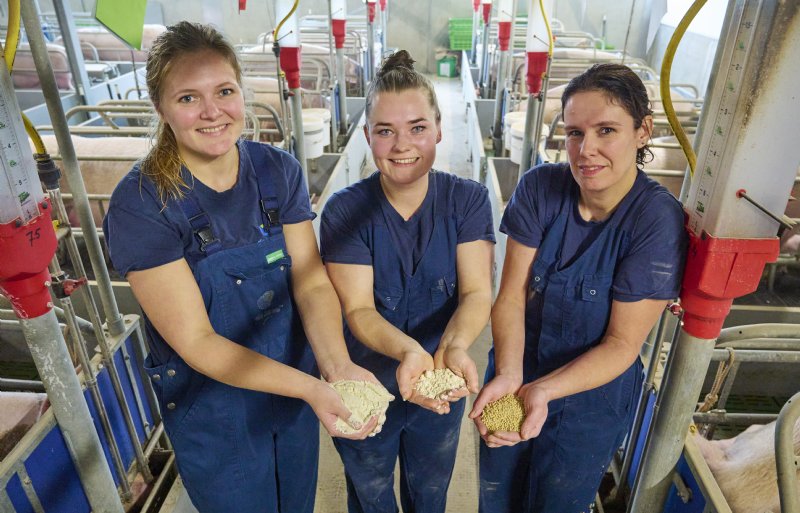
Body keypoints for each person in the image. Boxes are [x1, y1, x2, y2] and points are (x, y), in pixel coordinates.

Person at [103, 22, 379, 513]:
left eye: (224, 91)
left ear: (242, 93)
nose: (213, 112)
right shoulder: (142, 204)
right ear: (161, 108)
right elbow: (198, 342)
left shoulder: (277, 170)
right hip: (213, 406)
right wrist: (314, 388)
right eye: (188, 98)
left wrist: (337, 368)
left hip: (293, 386)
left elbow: (311, 281)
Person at [470, 63, 688, 513]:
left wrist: (544, 391)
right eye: (573, 133)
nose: (585, 150)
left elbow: (622, 343)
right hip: (517, 369)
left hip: (590, 400)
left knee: (557, 503)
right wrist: (511, 377)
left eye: (605, 130)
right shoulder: (540, 188)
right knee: (497, 497)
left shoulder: (654, 221)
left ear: (643, 130)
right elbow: (510, 297)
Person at [319, 50, 495, 513]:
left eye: (418, 128)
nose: (402, 145)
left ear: (440, 129)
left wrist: (452, 349)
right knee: (370, 491)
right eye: (385, 131)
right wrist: (407, 352)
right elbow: (357, 309)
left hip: (441, 373)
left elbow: (477, 293)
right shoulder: (345, 211)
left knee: (430, 490)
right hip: (366, 380)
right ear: (367, 137)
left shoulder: (468, 201)